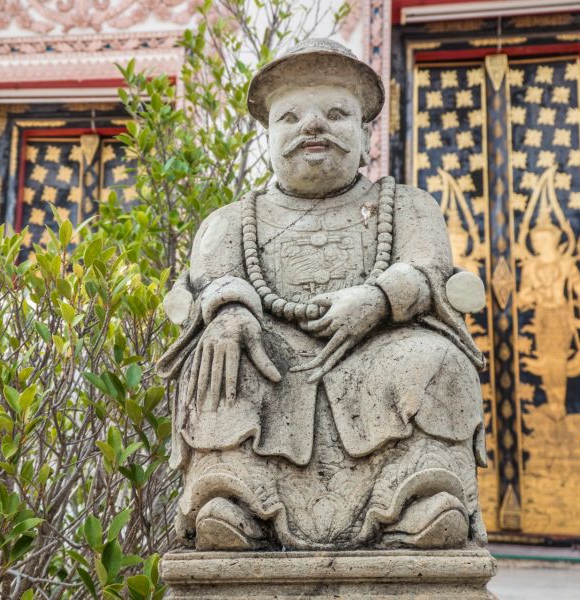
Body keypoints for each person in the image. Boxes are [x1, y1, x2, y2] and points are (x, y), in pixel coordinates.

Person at [158, 38, 488, 551]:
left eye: (336, 113)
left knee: (436, 357)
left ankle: (419, 498)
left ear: (364, 131)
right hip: (271, 349)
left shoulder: (407, 206)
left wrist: (380, 299)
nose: (314, 126)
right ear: (268, 135)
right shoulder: (230, 220)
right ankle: (231, 498)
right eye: (291, 117)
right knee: (219, 354)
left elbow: (427, 268)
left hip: (375, 344)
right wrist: (228, 312)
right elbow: (210, 279)